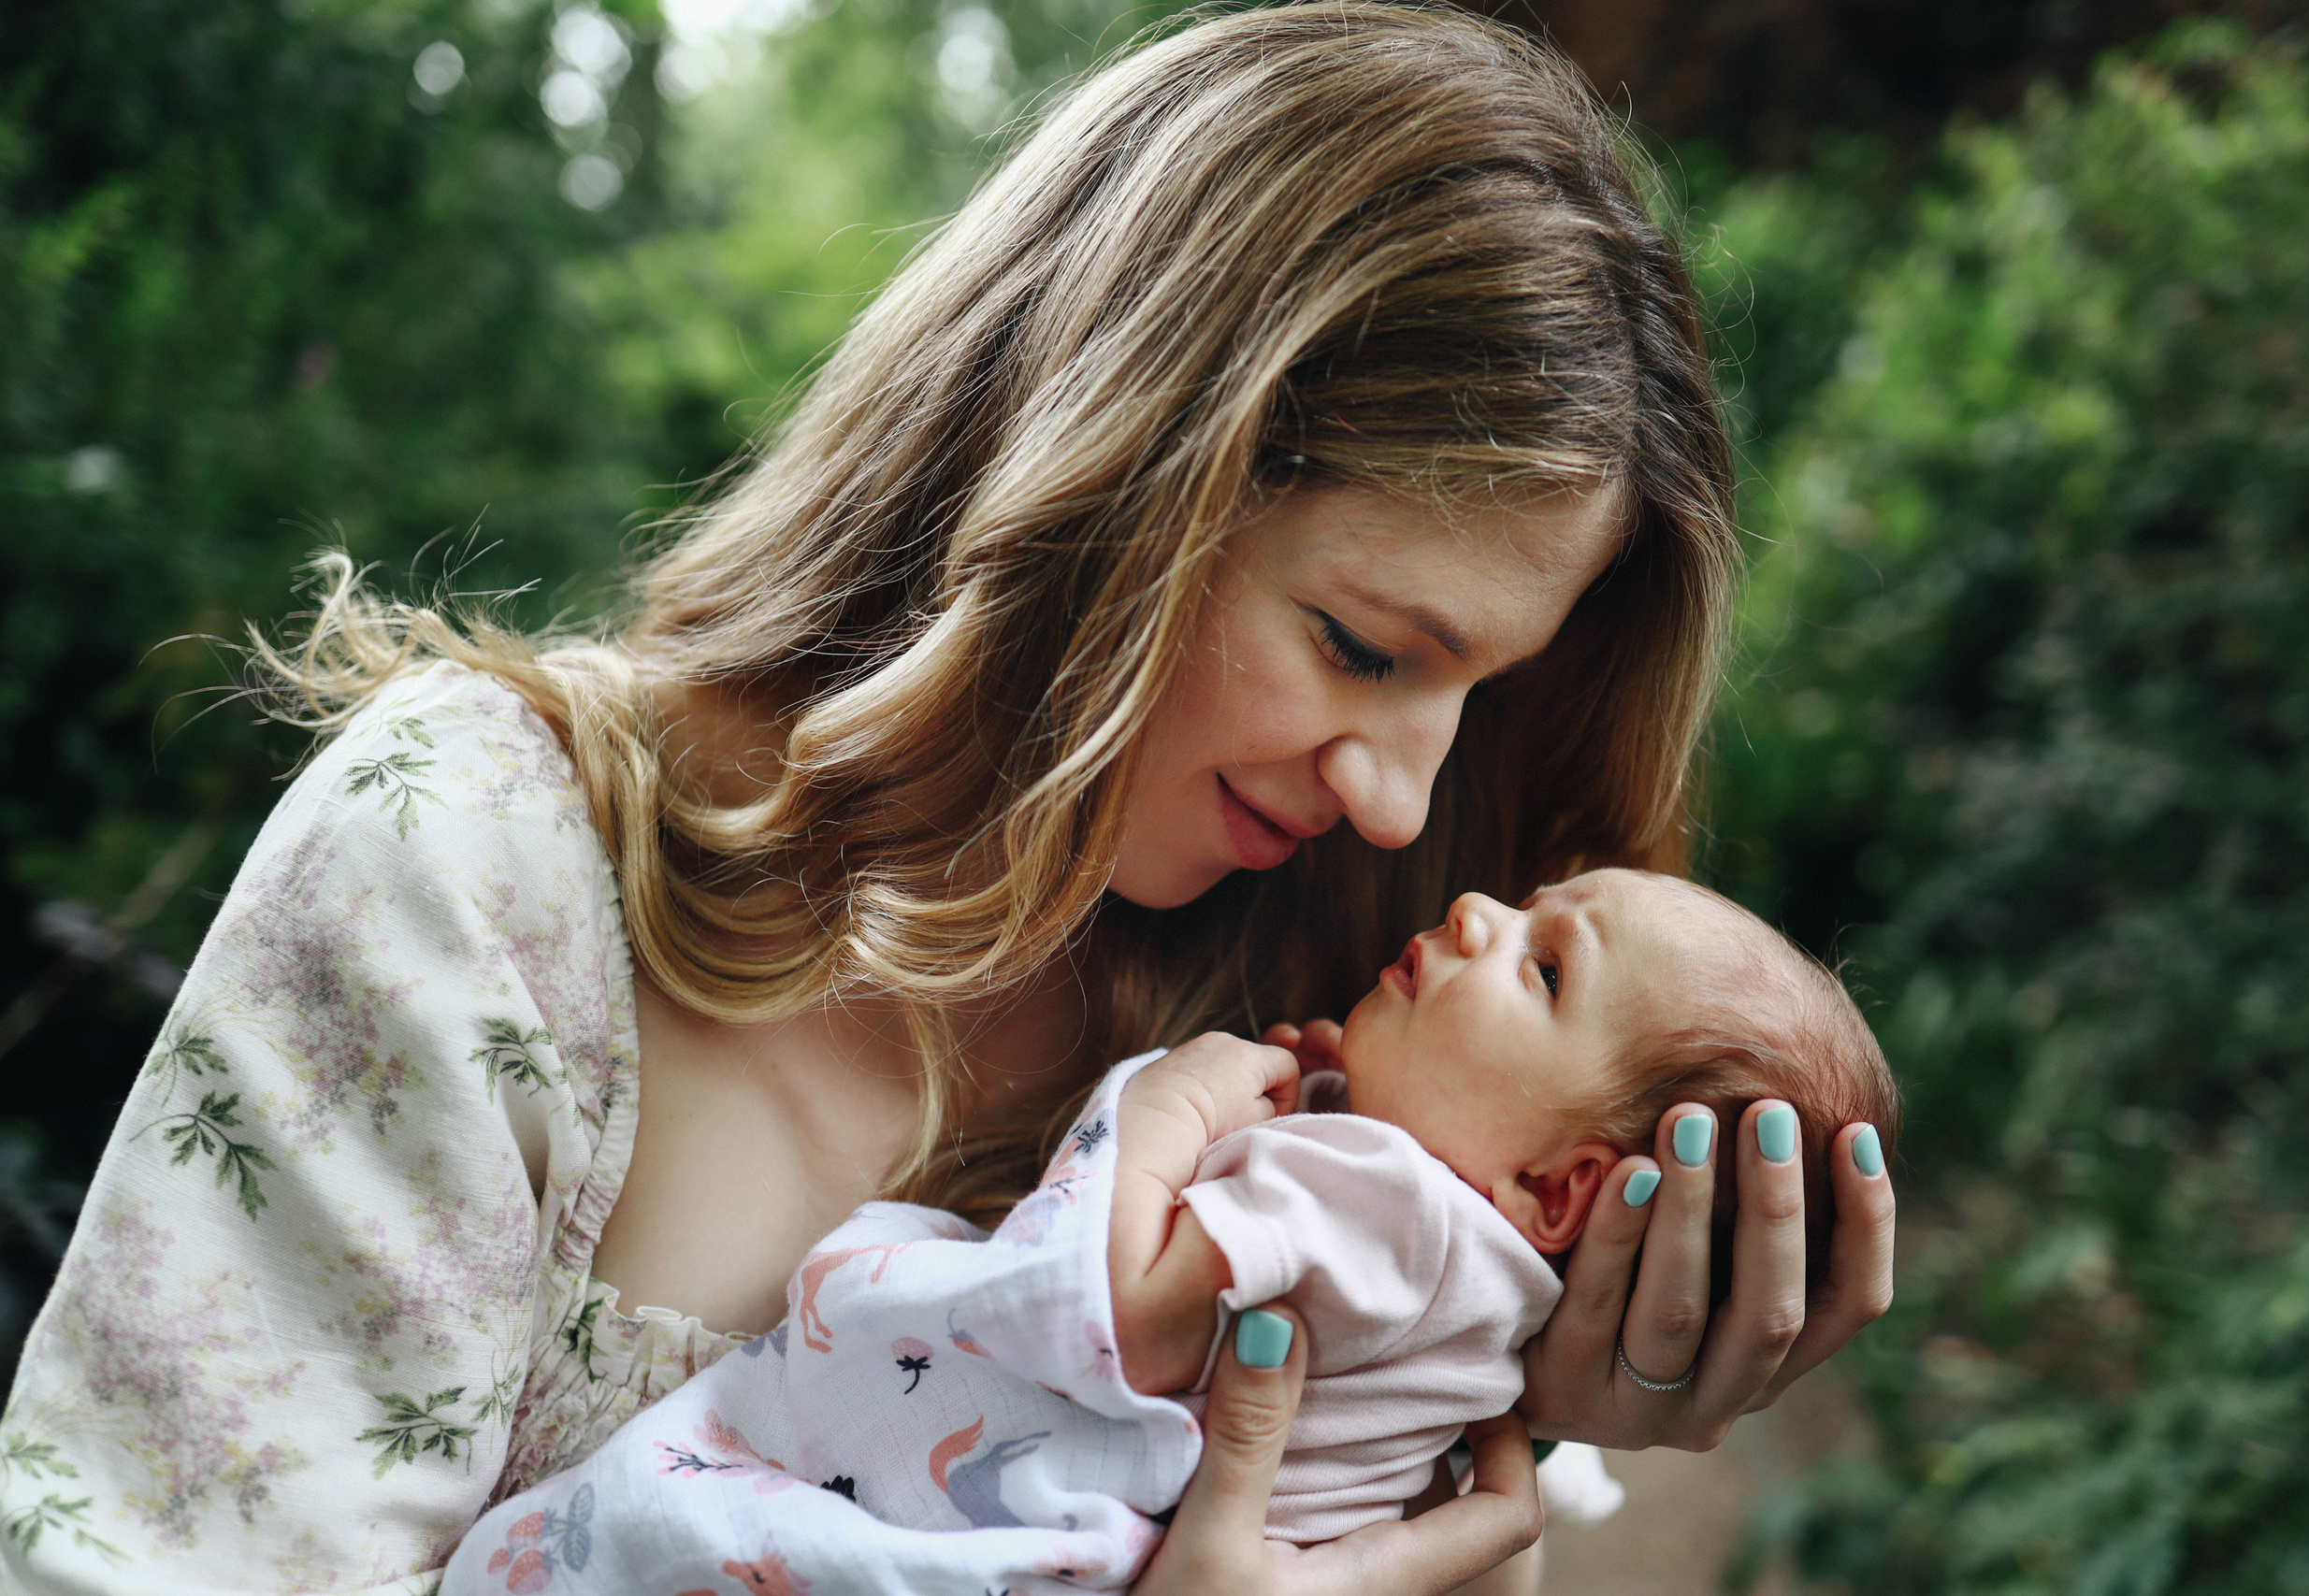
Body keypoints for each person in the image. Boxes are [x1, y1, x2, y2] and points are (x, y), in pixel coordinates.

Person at [0, 6, 1898, 1593]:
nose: (1404, 808)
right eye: (1356, 640)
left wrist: (1495, 1394)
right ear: (1103, 474)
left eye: (1472, 707)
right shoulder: (484, 870)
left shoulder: (1332, 1066)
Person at [429, 869, 1898, 1594]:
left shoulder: (1382, 1199)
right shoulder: (1476, 1310)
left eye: (1544, 962)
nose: (1471, 908)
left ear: (1566, 1195)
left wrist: (1175, 1109)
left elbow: (1124, 1313)